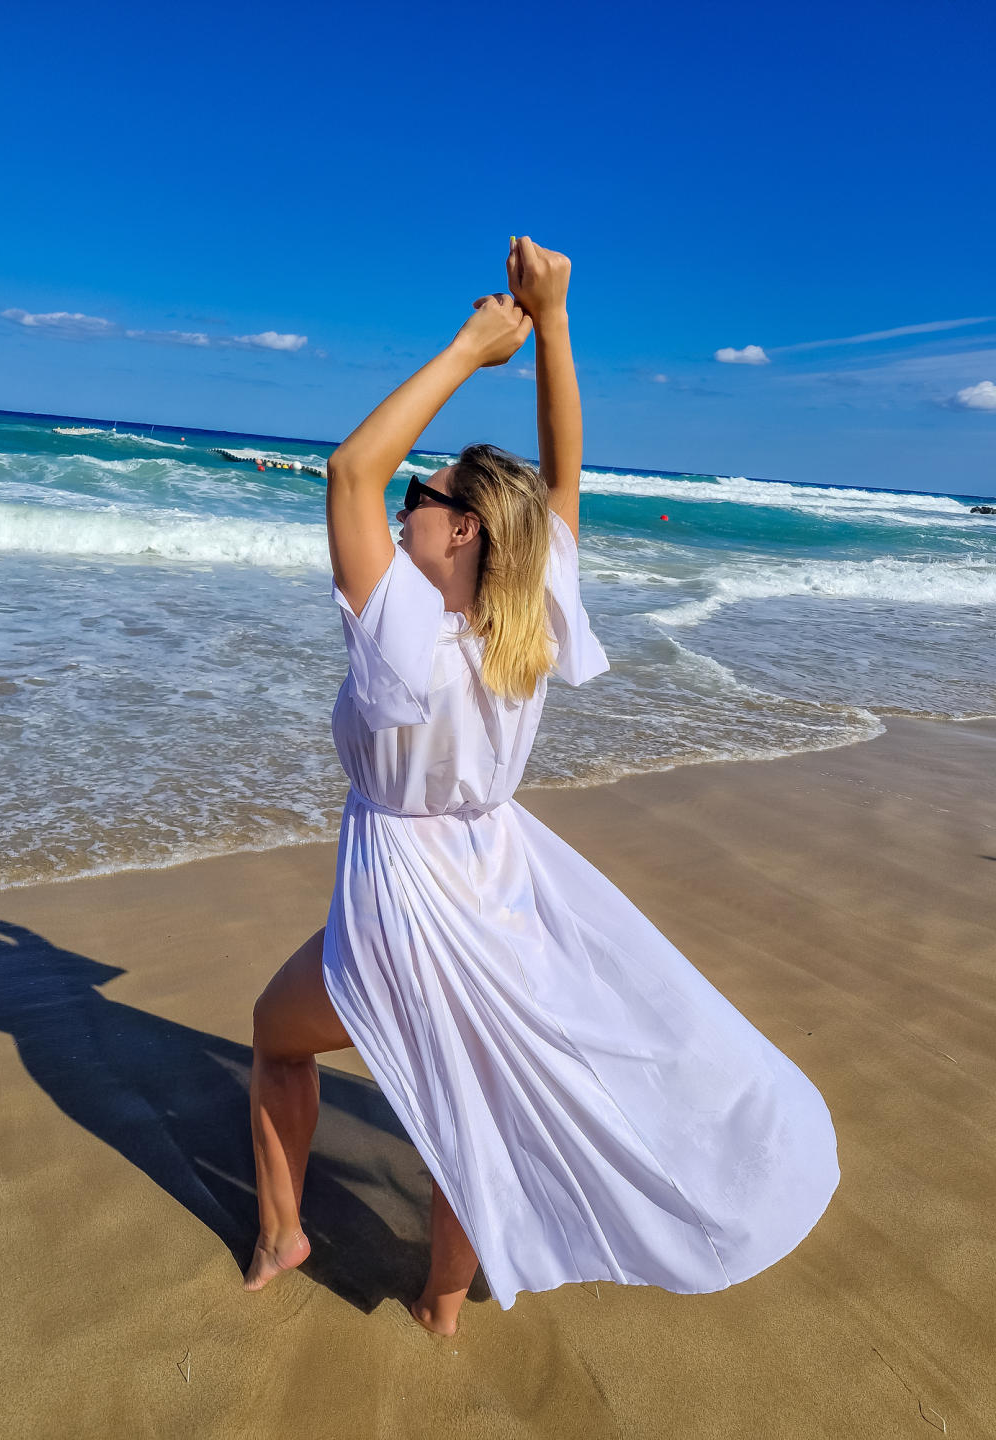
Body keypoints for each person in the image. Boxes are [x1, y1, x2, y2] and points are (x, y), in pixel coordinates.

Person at [245, 237, 839, 1336]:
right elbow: (562, 478)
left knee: (278, 1035)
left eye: (421, 498)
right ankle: (443, 1299)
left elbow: (348, 470)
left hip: (405, 894)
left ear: (461, 529)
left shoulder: (406, 635)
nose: (401, 510)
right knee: (474, 1094)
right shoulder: (528, 621)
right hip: (499, 879)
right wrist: (554, 319)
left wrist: (472, 347)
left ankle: (284, 1234)